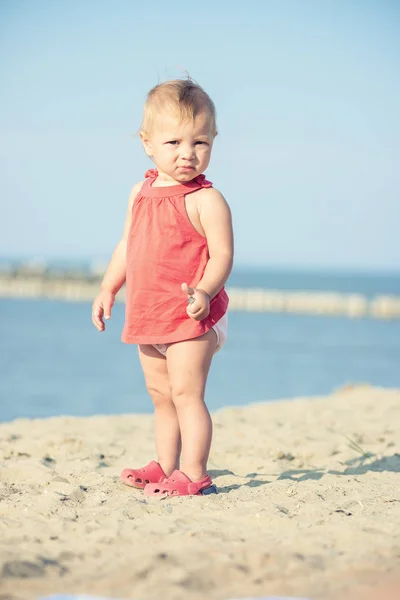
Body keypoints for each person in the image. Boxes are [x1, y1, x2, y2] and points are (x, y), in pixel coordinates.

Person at [92, 78, 234, 497]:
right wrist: (107, 288)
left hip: (192, 315)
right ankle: (165, 465)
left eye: (200, 142)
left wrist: (205, 292)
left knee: (187, 393)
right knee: (161, 396)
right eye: (173, 142)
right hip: (148, 312)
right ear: (147, 142)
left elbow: (223, 256)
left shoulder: (207, 200)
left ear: (213, 141)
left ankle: (194, 473)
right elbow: (126, 245)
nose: (187, 153)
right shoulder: (140, 192)